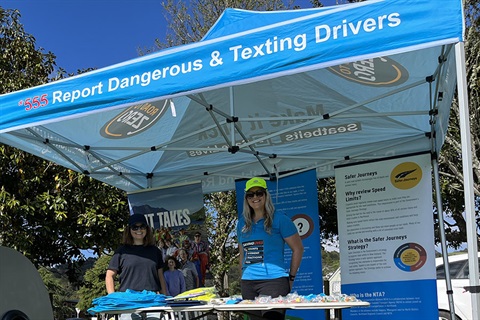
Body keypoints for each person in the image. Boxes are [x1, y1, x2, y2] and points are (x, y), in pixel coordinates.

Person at [237, 177, 304, 320]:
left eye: (259, 193)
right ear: (246, 198)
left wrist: (291, 278)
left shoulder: (280, 219)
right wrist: (243, 274)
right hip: (248, 283)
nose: (255, 197)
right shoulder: (242, 223)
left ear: (266, 195)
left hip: (274, 281)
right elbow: (242, 253)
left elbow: (298, 249)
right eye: (250, 194)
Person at [105, 214, 167, 320]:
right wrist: (113, 297)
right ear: (129, 230)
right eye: (135, 227)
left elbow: (160, 276)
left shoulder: (155, 251)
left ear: (147, 229)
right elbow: (109, 275)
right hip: (128, 301)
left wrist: (164, 298)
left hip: (152, 299)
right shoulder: (121, 251)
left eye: (142, 226)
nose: (139, 230)